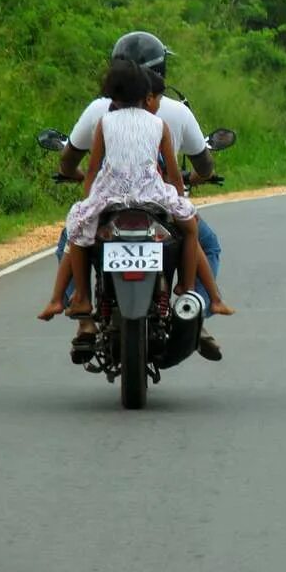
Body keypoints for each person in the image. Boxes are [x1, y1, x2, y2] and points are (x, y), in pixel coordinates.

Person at [54, 31, 229, 360]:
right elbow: (202, 165)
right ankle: (196, 311)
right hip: (157, 202)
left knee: (71, 241)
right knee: (208, 244)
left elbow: (74, 163)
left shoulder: (99, 113)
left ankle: (82, 316)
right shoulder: (174, 113)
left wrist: (86, 192)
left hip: (108, 204)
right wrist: (193, 182)